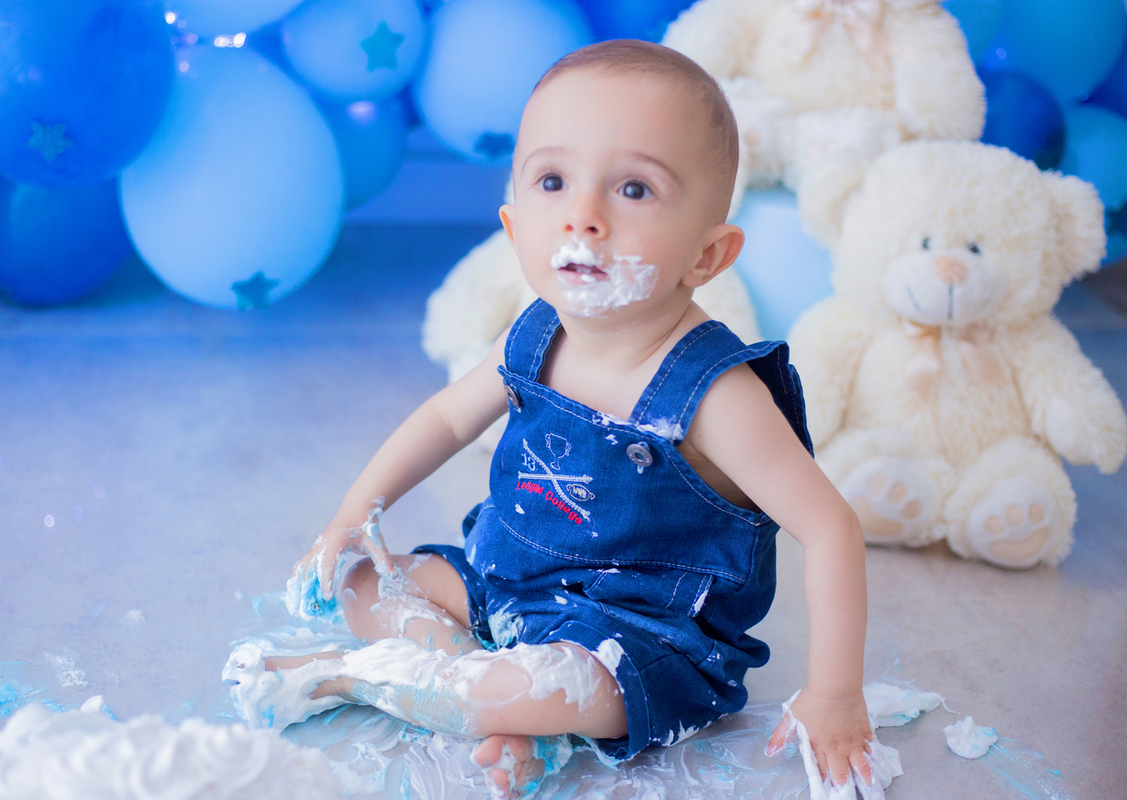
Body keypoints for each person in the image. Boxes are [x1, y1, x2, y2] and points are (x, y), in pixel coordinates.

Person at [223, 39, 874, 799]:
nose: (583, 217)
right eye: (554, 181)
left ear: (708, 256)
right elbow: (446, 419)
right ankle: (496, 702)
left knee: (549, 685)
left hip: (634, 641)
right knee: (367, 583)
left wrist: (834, 693)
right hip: (507, 583)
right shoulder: (535, 335)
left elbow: (831, 529)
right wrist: (351, 513)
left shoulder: (715, 394)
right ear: (513, 226)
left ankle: (360, 679)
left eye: (633, 189)